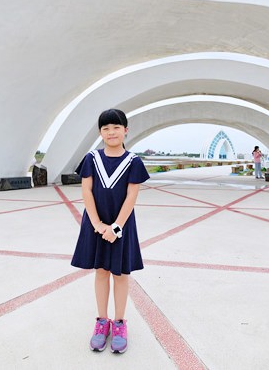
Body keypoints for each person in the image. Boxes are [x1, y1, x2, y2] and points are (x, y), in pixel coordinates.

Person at [71, 108, 150, 354]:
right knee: (102, 271)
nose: (111, 132)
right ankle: (101, 321)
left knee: (120, 274)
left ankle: (119, 323)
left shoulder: (133, 162)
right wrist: (97, 224)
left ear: (125, 130)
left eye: (116, 127)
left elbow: (131, 196)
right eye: (105, 128)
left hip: (121, 227)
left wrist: (116, 227)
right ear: (100, 133)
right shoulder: (92, 159)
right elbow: (86, 192)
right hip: (96, 224)